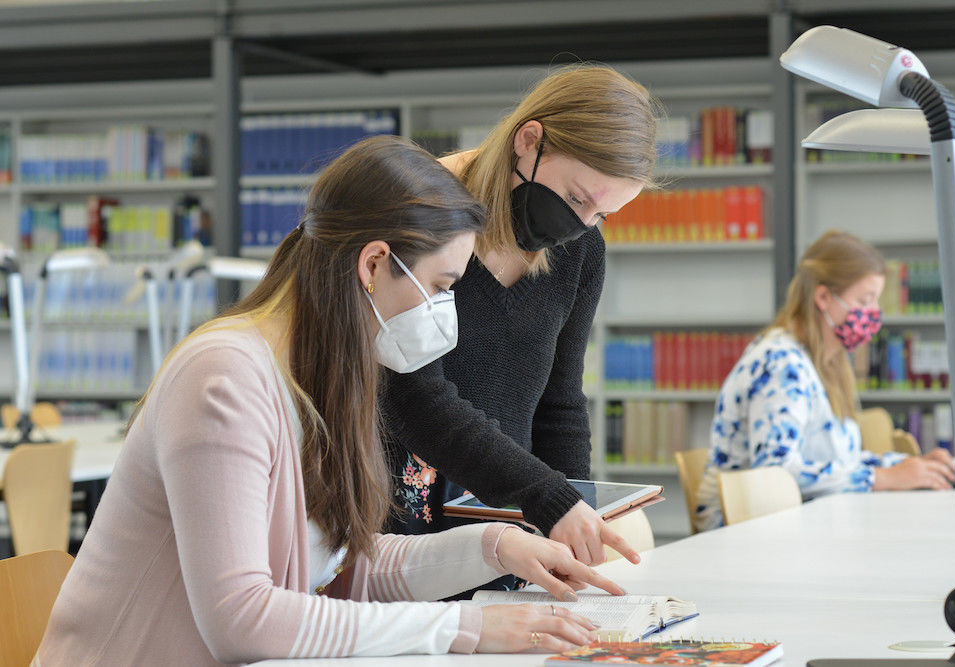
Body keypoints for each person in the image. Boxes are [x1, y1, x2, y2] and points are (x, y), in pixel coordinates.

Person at [34, 136, 624, 665]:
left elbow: (346, 569)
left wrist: (496, 547)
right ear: (373, 264)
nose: (445, 315)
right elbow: (242, 620)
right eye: (443, 287)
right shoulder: (224, 380)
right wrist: (462, 627)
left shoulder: (326, 378)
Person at [383, 65, 656, 572]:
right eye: (577, 198)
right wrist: (547, 496)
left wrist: (575, 521)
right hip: (397, 531)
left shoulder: (582, 253)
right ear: (530, 141)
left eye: (602, 214)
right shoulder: (421, 216)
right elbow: (410, 394)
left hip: (509, 529)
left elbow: (560, 405)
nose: (579, 226)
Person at [693, 230, 955, 532]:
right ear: (823, 297)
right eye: (864, 300)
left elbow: (836, 460)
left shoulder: (824, 362)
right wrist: (883, 478)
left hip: (792, 522)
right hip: (742, 530)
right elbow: (775, 471)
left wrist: (907, 466)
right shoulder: (781, 363)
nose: (873, 314)